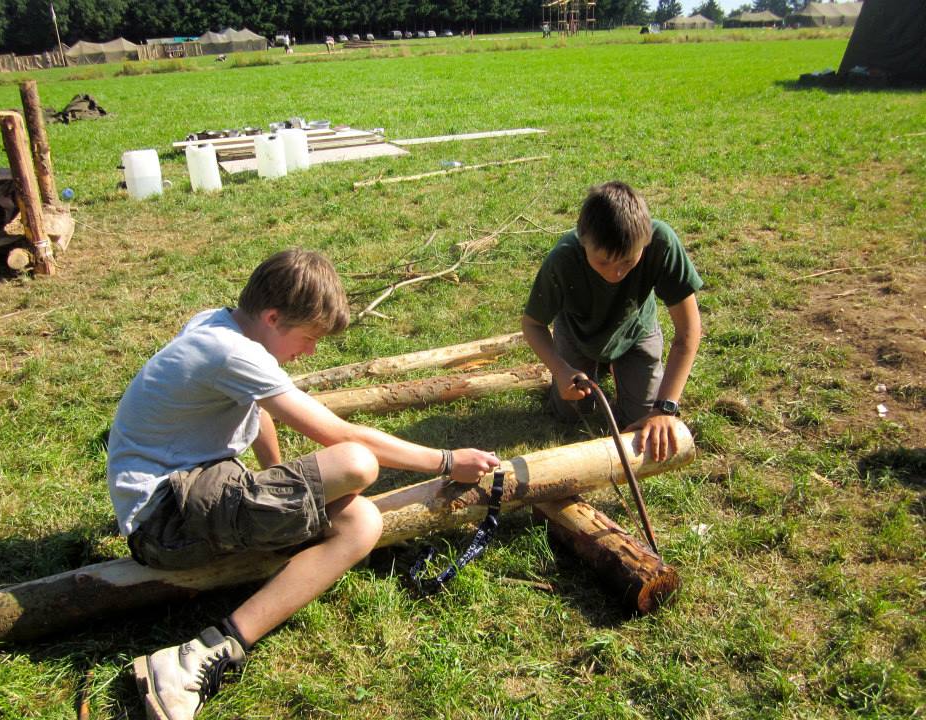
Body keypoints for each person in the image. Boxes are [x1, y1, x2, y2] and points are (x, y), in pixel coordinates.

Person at [109, 249, 500, 720]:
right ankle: (185, 666)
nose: (310, 351)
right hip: (163, 523)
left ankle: (206, 651)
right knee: (355, 463)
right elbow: (343, 437)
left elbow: (257, 410)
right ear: (273, 317)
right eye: (309, 337)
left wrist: (272, 481)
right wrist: (446, 460)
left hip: (193, 495)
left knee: (361, 522)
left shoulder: (219, 324)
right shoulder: (232, 352)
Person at [521, 181, 702, 463]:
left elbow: (688, 333)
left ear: (646, 241)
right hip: (579, 332)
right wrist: (560, 370)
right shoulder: (563, 259)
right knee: (571, 412)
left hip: (636, 330)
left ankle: (613, 366)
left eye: (628, 262)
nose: (616, 273)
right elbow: (532, 324)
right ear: (583, 240)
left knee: (643, 422)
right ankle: (594, 367)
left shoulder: (662, 243)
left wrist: (666, 409)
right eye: (603, 262)